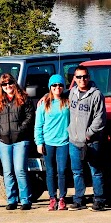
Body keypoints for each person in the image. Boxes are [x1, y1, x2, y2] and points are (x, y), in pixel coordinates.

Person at [0, 72, 35, 211]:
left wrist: (21, 129)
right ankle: (12, 200)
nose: (7, 86)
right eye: (4, 84)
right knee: (7, 171)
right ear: (1, 86)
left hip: (21, 140)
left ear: (14, 83)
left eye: (10, 83)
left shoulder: (24, 98)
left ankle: (26, 200)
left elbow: (30, 116)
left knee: (20, 170)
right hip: (3, 141)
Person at [68, 65, 107, 211]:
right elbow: (58, 96)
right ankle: (79, 199)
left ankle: (99, 200)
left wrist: (89, 133)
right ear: (74, 78)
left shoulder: (96, 94)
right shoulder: (72, 92)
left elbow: (100, 118)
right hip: (74, 140)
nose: (82, 80)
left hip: (91, 141)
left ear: (89, 77)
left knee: (95, 171)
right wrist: (46, 96)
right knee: (77, 171)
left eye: (84, 76)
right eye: (78, 77)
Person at [35, 74, 70, 212]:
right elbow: (38, 125)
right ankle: (52, 198)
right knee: (50, 171)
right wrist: (39, 142)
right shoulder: (44, 104)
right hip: (48, 142)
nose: (57, 88)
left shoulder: (68, 102)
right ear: (50, 87)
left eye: (60, 85)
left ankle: (62, 198)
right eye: (54, 85)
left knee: (62, 171)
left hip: (64, 142)